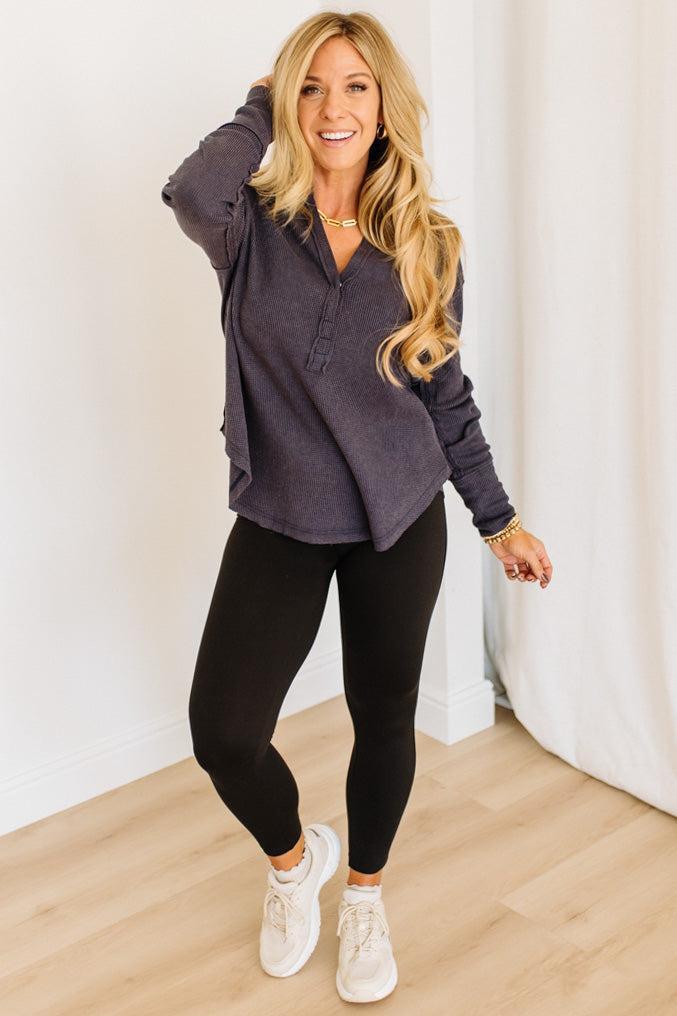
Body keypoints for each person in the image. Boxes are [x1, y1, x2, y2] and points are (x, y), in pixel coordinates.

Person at [161, 9, 553, 1005]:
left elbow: (444, 395)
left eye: (354, 86)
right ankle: (296, 864)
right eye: (311, 86)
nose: (332, 107)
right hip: (283, 515)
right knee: (224, 731)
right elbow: (190, 188)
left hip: (396, 517)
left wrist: (496, 518)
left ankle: (366, 897)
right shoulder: (250, 226)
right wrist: (260, 102)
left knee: (384, 717)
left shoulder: (424, 241)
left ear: (384, 105)